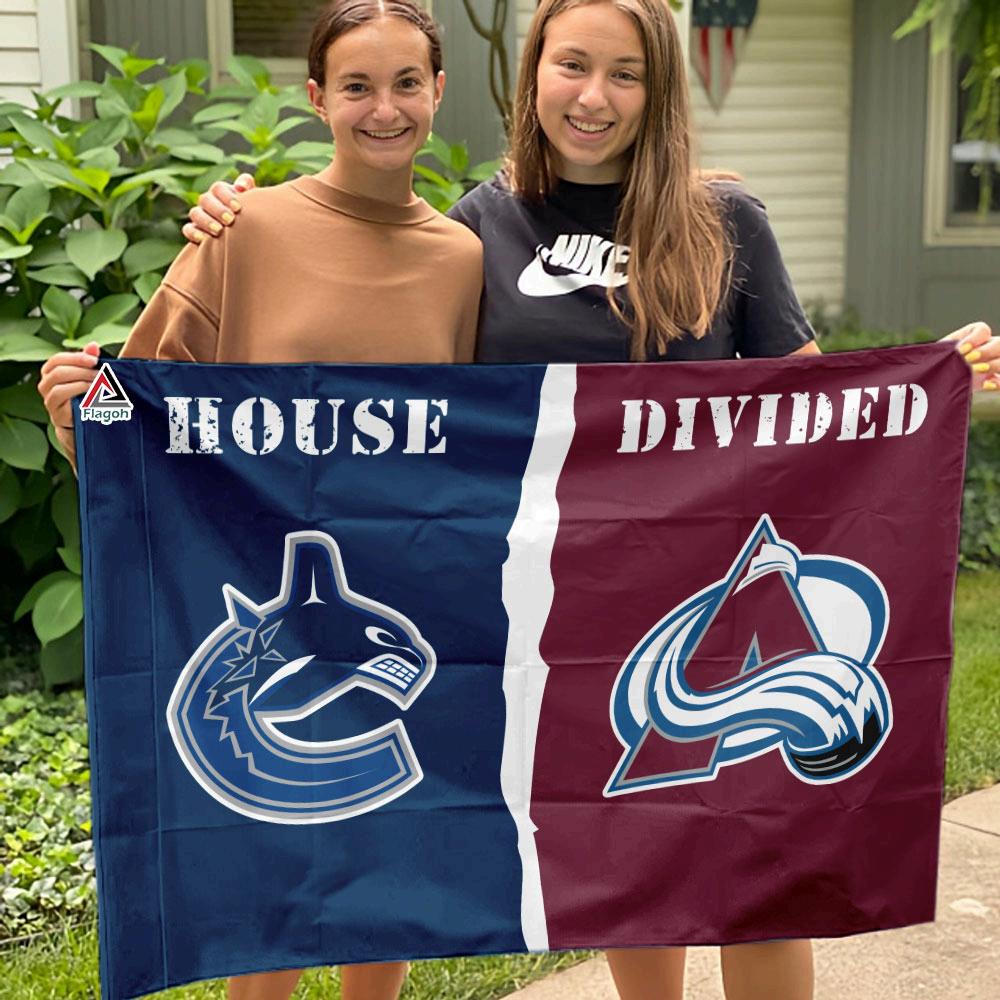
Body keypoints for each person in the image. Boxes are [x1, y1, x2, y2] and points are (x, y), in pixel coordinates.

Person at [57, 1, 1000, 998]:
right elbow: (421, 406)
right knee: (642, 860)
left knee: (757, 869)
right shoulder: (479, 231)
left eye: (626, 73)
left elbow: (810, 410)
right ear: (532, 73)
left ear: (660, 89)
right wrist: (228, 232)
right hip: (559, 605)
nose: (594, 96)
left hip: (711, 589)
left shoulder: (724, 220)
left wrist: (923, 389)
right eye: (572, 65)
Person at [37, 3, 481, 999]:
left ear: (438, 92)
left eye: (406, 84)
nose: (383, 109)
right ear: (316, 97)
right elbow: (143, 416)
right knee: (269, 862)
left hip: (403, 592)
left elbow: (476, 439)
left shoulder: (462, 258)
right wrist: (75, 419)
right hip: (257, 593)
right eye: (356, 86)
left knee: (386, 854)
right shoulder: (246, 228)